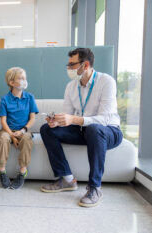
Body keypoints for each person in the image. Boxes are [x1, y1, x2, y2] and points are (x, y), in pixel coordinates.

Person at [40, 48, 123, 207]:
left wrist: (74, 119)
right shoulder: (71, 86)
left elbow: (104, 119)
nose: (68, 68)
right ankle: (67, 179)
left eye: (72, 64)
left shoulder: (106, 82)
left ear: (85, 65)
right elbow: (68, 115)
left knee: (94, 128)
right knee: (46, 129)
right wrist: (58, 121)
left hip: (109, 131)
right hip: (83, 131)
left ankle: (95, 188)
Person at [0, 67, 39, 189]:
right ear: (11, 82)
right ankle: (2, 171)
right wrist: (11, 135)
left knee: (26, 139)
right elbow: (3, 121)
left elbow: (32, 119)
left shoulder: (30, 97)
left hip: (23, 130)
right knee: (3, 139)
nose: (24, 80)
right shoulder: (4, 99)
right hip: (7, 130)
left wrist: (23, 130)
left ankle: (22, 172)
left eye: (25, 78)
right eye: (20, 78)